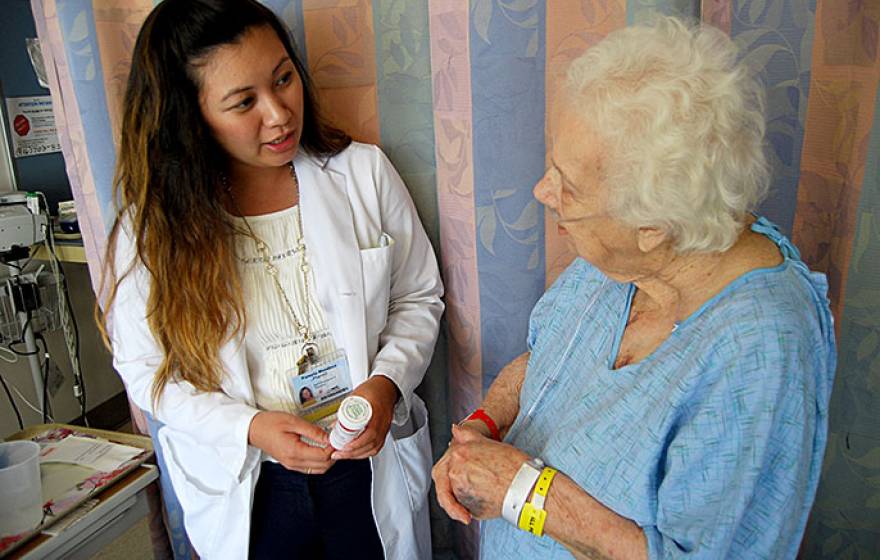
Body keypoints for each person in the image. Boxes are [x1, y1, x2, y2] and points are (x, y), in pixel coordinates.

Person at [433, 16, 835, 559]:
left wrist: (524, 491)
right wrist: (480, 431)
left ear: (653, 226)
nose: (542, 190)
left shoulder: (760, 350)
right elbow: (546, 362)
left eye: (568, 187)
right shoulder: (619, 261)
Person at [97, 1, 443, 558]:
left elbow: (419, 296)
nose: (280, 113)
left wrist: (386, 383)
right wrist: (251, 428)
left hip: (364, 463)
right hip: (254, 485)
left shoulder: (361, 174)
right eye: (243, 102)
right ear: (191, 117)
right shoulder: (152, 233)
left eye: (284, 79)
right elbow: (146, 372)